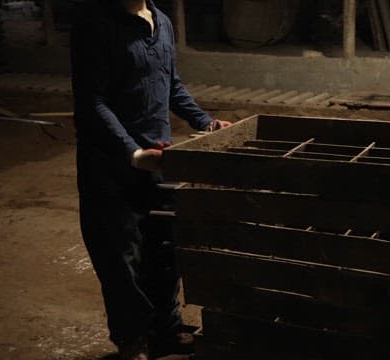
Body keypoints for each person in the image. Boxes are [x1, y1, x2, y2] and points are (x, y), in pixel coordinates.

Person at [70, 1, 231, 359]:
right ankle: (133, 343)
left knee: (163, 249)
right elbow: (92, 102)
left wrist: (204, 122)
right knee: (121, 259)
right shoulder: (95, 25)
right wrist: (132, 152)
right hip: (110, 164)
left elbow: (170, 84)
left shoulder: (161, 22)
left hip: (159, 158)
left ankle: (166, 334)